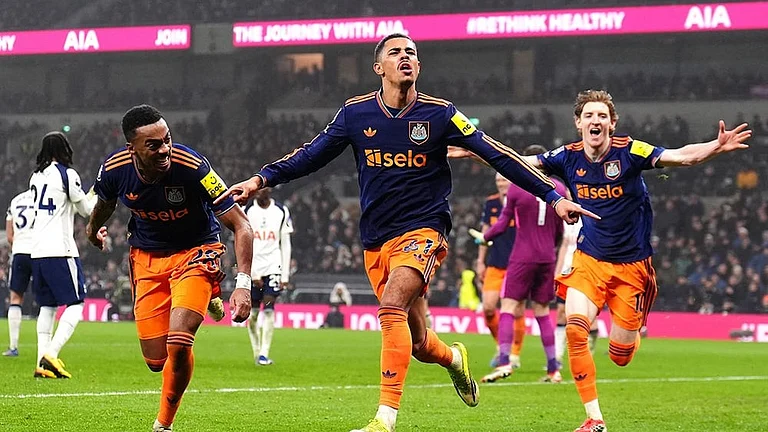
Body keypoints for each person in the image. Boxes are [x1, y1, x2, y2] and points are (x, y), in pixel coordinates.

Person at [215, 33, 597, 432]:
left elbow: (497, 153)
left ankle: (385, 418)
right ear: (379, 67)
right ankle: (452, 359)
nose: (405, 57)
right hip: (377, 239)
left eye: (411, 53)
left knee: (391, 306)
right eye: (395, 52)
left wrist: (553, 197)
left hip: (424, 230)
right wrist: (260, 180)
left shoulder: (441, 114)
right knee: (417, 343)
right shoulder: (355, 113)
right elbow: (310, 155)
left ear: (418, 65)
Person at [507, 90, 748, 432]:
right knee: (575, 329)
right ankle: (594, 419)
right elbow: (514, 162)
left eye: (602, 116)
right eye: (589, 116)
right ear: (578, 123)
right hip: (590, 261)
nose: (596, 121)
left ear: (612, 123)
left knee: (620, 356)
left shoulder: (631, 151)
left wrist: (714, 146)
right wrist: (471, 149)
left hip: (632, 268)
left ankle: (629, 335)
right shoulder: (566, 156)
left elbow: (682, 157)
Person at [85, 104, 253, 432]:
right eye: (154, 144)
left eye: (167, 139)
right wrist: (92, 231)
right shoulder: (114, 169)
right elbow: (105, 204)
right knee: (155, 361)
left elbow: (241, 225)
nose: (165, 149)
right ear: (131, 148)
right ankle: (208, 295)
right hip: (147, 259)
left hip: (196, 252)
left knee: (179, 342)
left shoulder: (192, 166)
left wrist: (244, 282)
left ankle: (164, 423)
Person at [477, 144, 567, 384]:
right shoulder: (560, 189)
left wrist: (484, 238)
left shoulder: (517, 188)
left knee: (508, 306)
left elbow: (503, 222)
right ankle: (553, 370)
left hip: (522, 256)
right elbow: (560, 230)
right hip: (547, 256)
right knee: (542, 311)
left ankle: (505, 362)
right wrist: (548, 244)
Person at [28, 132, 98, 378]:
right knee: (77, 303)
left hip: (36, 251)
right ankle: (52, 354)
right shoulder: (67, 174)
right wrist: (99, 189)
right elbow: (87, 209)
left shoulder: (35, 177)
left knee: (47, 307)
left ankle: (40, 362)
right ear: (64, 149)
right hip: (60, 249)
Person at [244, 186, 293, 366]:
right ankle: (256, 351)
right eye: (257, 189)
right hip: (254, 266)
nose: (260, 192)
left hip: (274, 266)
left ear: (270, 190)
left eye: (263, 188)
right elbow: (244, 243)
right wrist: (252, 272)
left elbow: (285, 243)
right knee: (254, 314)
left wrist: (285, 274)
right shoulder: (247, 211)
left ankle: (264, 353)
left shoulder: (280, 211)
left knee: (270, 307)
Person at [475, 174, 519, 366]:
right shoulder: (491, 203)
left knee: (516, 310)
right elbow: (485, 232)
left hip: (517, 263)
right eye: (498, 181)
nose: (501, 184)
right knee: (488, 308)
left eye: (504, 180)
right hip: (495, 262)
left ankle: (515, 354)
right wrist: (480, 261)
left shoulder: (521, 202)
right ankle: (501, 346)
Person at [554, 217, 599, 366]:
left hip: (585, 270)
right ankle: (557, 356)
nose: (567, 193)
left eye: (569, 191)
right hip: (567, 270)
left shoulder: (588, 216)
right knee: (561, 311)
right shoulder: (566, 216)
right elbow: (565, 245)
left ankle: (588, 350)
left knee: (587, 316)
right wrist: (557, 270)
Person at [3, 189, 36, 357]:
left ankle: (13, 346)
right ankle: (46, 348)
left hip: (20, 252)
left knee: (15, 298)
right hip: (41, 252)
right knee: (47, 300)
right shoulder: (44, 197)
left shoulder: (15, 201)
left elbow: (9, 236)